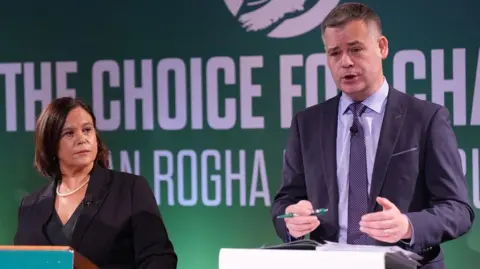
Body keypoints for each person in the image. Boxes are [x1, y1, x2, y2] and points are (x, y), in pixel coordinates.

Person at [270, 2, 474, 268]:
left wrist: (408, 226)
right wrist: (290, 218)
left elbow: (458, 209)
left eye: (355, 49)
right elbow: (285, 201)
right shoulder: (307, 123)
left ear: (382, 47)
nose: (346, 62)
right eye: (334, 53)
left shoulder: (426, 119)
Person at [14, 97, 177, 269]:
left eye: (87, 130)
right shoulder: (30, 207)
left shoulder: (130, 190)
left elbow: (160, 260)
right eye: (69, 133)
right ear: (51, 144)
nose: (82, 139)